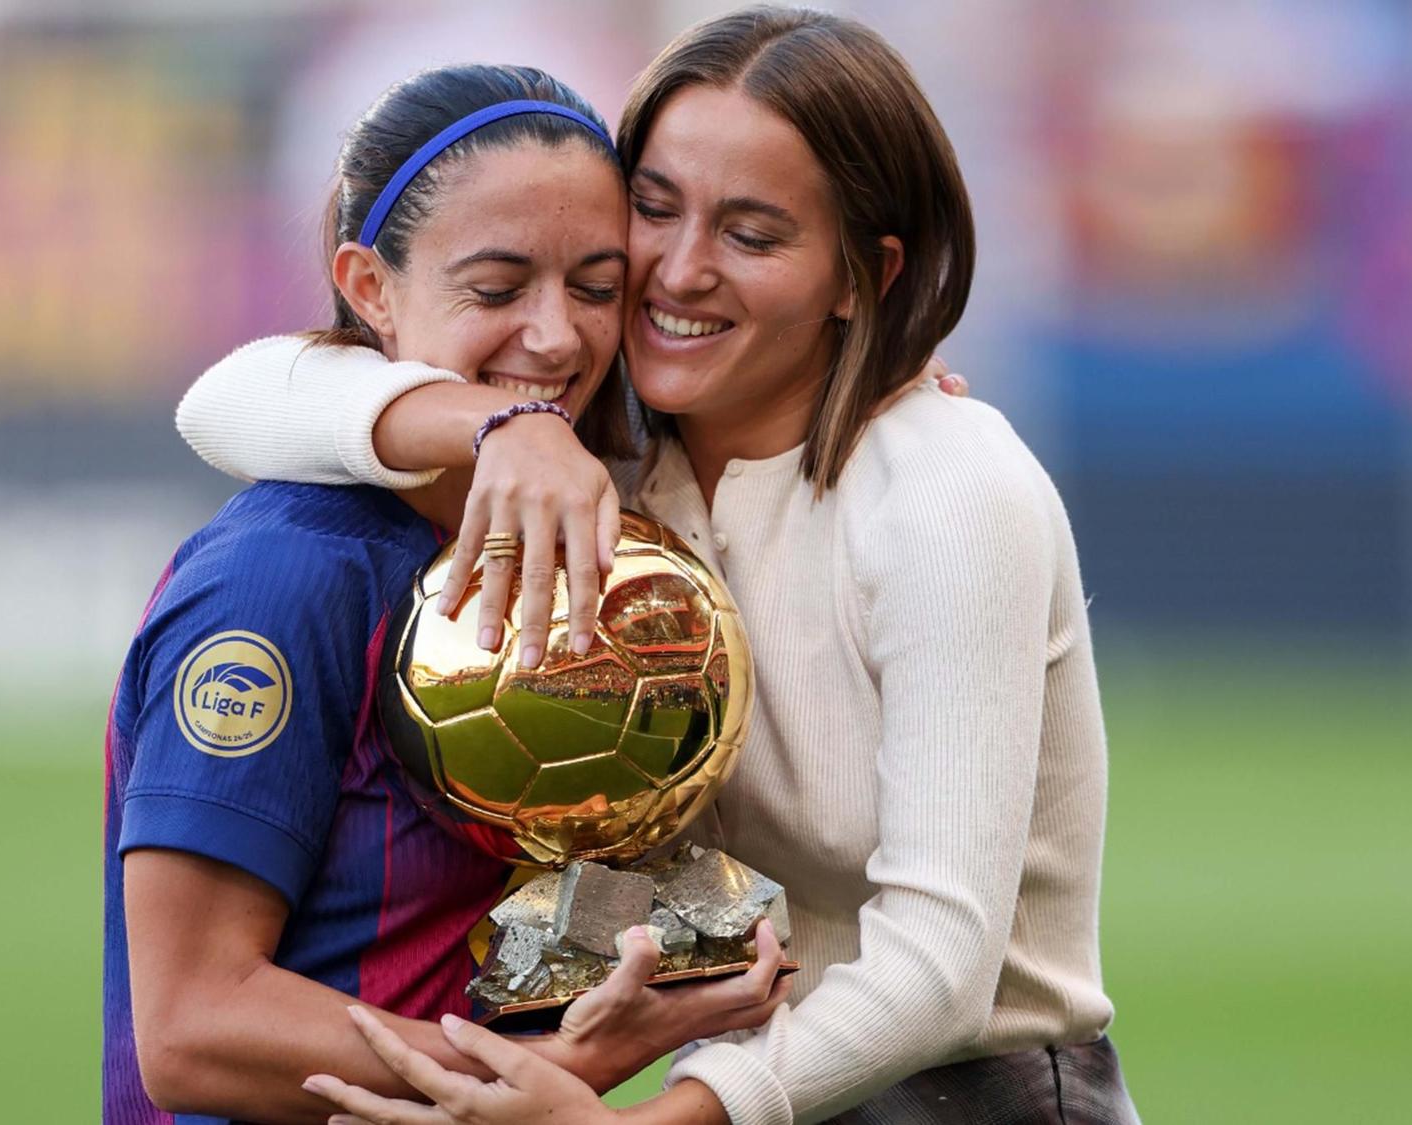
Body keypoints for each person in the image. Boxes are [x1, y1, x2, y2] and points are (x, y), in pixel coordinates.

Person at [173, 7, 1139, 1125]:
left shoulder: (945, 488)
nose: (678, 272)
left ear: (858, 272)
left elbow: (940, 960)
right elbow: (229, 401)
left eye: (753, 234)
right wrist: (498, 426)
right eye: (653, 209)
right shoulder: (605, 454)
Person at [103, 62, 786, 1125]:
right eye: (497, 288)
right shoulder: (284, 576)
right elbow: (194, 1030)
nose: (556, 337)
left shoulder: (602, 522)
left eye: (597, 288)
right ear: (369, 287)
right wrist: (551, 1072)